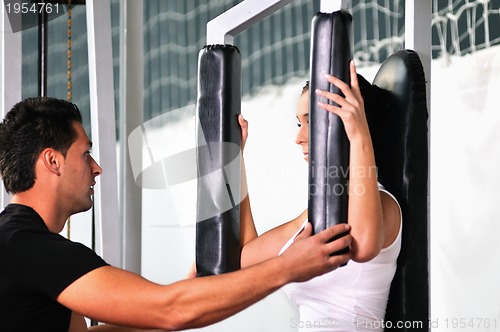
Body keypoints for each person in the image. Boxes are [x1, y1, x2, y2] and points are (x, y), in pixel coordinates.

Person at [0, 97, 354, 331]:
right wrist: (287, 268)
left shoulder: (17, 243)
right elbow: (169, 310)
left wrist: (188, 288)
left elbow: (157, 311)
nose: (96, 168)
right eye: (85, 154)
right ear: (52, 160)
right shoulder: (33, 249)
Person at [238, 61, 402, 331]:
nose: (298, 137)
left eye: (310, 121)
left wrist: (360, 136)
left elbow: (363, 245)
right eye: (298, 123)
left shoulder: (382, 202)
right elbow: (244, 259)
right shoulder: (317, 212)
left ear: (349, 120)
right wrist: (236, 159)